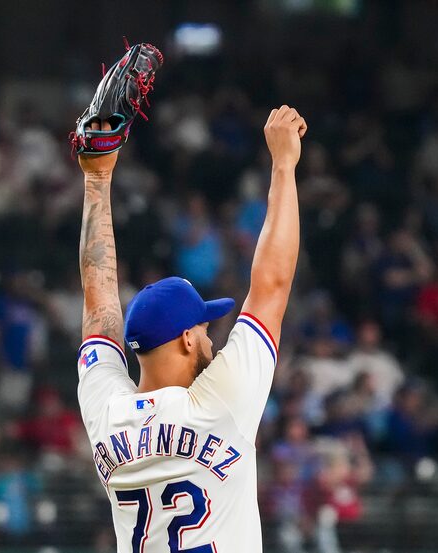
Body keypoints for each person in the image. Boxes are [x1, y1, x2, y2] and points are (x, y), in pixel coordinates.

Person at [72, 43, 307, 553]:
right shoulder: (218, 402)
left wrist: (96, 177)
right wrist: (284, 167)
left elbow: (99, 308)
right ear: (183, 339)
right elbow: (271, 284)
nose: (211, 339)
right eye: (203, 328)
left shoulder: (107, 415)